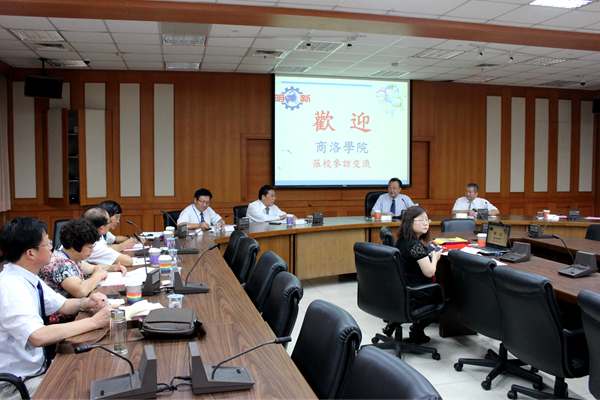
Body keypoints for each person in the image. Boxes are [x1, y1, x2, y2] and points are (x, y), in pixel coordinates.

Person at [0, 217, 115, 400]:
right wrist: (94, 322)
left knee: (96, 374)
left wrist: (86, 302)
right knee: (86, 386)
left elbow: (62, 304)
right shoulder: (11, 288)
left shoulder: (26, 276)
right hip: (17, 384)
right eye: (47, 244)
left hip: (37, 369)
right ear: (31, 253)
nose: (52, 248)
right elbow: (37, 336)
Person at [38, 218, 127, 324]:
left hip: (75, 313)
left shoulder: (67, 256)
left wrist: (113, 268)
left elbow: (92, 268)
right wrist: (97, 275)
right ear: (74, 246)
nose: (92, 250)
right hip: (63, 321)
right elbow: (81, 291)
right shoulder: (60, 263)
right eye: (90, 247)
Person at [394, 206, 443, 344]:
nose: (426, 223)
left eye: (427, 220)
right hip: (417, 292)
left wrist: (427, 255)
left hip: (404, 289)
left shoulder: (402, 240)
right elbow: (430, 272)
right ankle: (417, 329)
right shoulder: (415, 246)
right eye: (421, 220)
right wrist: (435, 258)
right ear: (410, 222)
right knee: (446, 298)